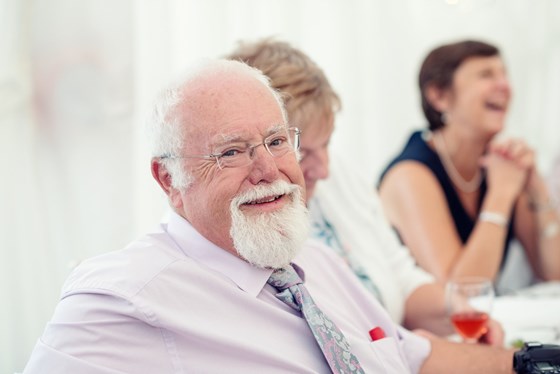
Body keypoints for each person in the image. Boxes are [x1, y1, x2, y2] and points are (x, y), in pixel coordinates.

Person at [23, 59, 515, 373]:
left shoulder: (316, 263)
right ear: (168, 179)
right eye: (231, 153)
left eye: (278, 142)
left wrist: (528, 362)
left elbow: (410, 356)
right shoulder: (122, 296)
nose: (269, 170)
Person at [224, 39, 456, 336]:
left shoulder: (340, 179)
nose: (324, 169)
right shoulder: (252, 224)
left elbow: (400, 277)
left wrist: (460, 309)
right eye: (301, 152)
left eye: (326, 143)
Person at [378, 40, 560, 287]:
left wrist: (537, 189)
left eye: (504, 74)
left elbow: (553, 272)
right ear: (439, 96)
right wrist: (501, 194)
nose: (505, 86)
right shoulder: (409, 174)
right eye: (486, 75)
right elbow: (460, 292)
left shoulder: (499, 166)